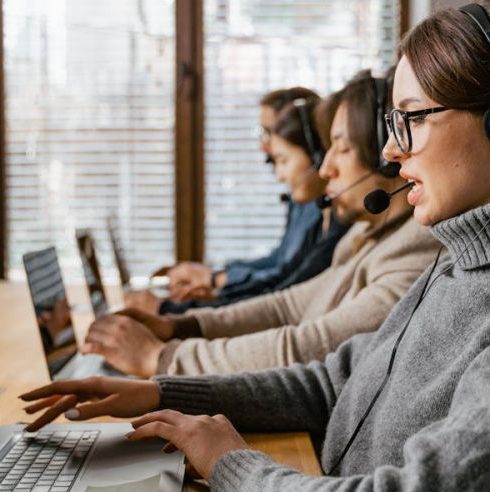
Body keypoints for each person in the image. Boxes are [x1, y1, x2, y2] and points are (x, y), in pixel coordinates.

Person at [20, 4, 490, 492]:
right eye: (390, 123)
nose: (390, 150)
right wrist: (161, 391)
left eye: (411, 118)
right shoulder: (453, 262)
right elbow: (334, 381)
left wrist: (229, 463)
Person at [75, 69, 440, 378]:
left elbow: (310, 345)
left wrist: (162, 358)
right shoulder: (368, 233)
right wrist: (179, 326)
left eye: (341, 149)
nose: (326, 168)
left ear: (386, 160)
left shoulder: (414, 249)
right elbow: (285, 307)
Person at [126, 87, 327, 313]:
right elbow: (279, 263)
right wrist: (216, 281)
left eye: (268, 131)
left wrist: (211, 284)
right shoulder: (303, 200)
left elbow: (283, 285)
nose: (265, 145)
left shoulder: (322, 209)